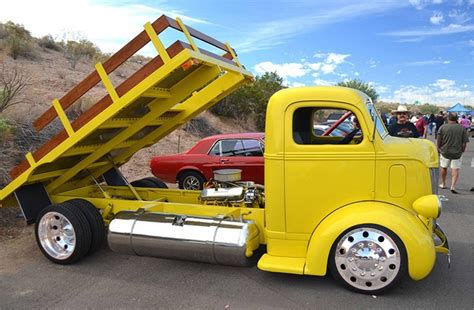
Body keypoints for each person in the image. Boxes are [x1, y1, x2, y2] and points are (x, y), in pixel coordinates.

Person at [437, 112, 469, 194]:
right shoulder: (462, 128)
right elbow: (464, 143)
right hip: (457, 152)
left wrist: (438, 148)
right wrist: (462, 150)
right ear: (456, 119)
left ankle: (443, 183)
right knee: (455, 169)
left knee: (444, 167)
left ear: (448, 118)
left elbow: (439, 140)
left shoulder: (443, 127)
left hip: (445, 151)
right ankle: (453, 186)